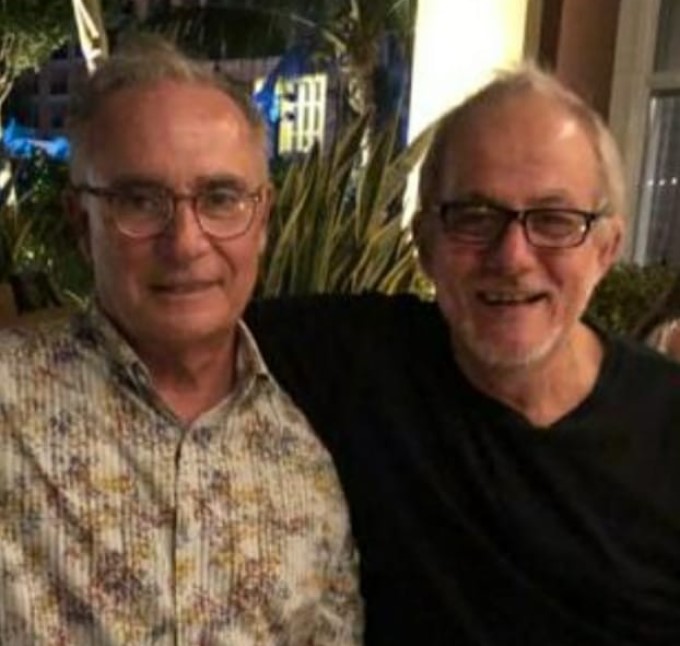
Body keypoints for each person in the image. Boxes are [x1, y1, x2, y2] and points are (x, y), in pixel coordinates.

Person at [248, 64, 680, 645]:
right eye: (475, 218)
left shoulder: (668, 427)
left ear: (606, 249)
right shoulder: (358, 361)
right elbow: (185, 326)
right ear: (425, 244)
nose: (513, 257)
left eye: (554, 220)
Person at [0, 37, 361, 644]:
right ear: (81, 224)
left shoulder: (308, 460)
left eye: (220, 199)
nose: (187, 243)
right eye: (141, 201)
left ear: (262, 220)